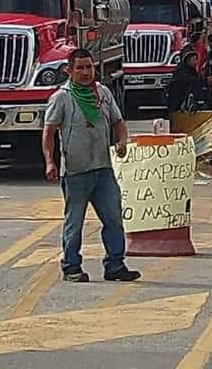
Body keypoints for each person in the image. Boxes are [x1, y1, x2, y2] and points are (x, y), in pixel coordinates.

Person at [42, 48, 141, 283]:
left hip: (103, 169)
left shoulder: (103, 93)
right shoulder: (62, 98)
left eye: (89, 67)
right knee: (74, 222)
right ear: (69, 71)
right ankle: (71, 267)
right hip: (75, 171)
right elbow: (49, 131)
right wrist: (50, 161)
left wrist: (122, 141)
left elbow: (118, 122)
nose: (86, 72)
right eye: (80, 68)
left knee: (114, 219)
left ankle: (115, 265)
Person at [167, 48, 206, 113]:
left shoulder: (192, 70)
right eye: (193, 60)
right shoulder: (180, 70)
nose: (195, 62)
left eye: (196, 59)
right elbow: (187, 79)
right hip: (178, 99)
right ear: (187, 59)